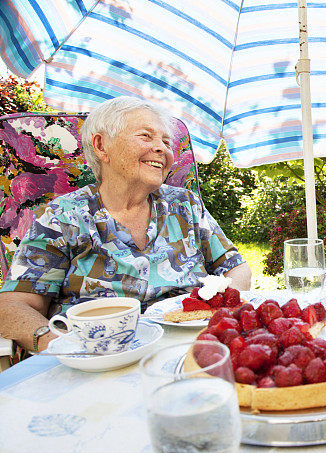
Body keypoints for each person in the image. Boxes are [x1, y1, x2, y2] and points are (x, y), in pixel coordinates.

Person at [0, 96, 251, 352]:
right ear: (101, 146)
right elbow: (13, 306)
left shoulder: (185, 204)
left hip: (192, 345)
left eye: (167, 142)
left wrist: (220, 309)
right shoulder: (62, 217)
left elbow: (236, 268)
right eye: (145, 136)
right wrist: (58, 345)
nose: (162, 149)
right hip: (100, 359)